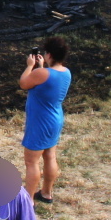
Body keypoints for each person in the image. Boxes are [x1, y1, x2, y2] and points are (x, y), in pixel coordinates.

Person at [19, 36, 72, 203]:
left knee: (31, 162)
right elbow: (47, 81)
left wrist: (30, 66)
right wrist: (40, 67)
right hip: (55, 119)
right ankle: (46, 193)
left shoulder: (41, 73)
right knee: (50, 156)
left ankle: (28, 201)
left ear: (49, 54)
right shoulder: (66, 72)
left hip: (40, 122)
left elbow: (24, 83)